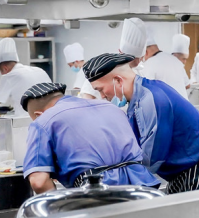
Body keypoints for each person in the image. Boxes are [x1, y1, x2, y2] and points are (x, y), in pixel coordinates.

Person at [84, 53, 199, 193]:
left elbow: (151, 159)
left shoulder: (151, 99)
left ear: (118, 80)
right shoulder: (137, 100)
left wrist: (111, 177)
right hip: (183, 172)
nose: (102, 96)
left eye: (101, 89)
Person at [20, 82, 159, 194]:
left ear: (38, 114)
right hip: (142, 186)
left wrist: (57, 209)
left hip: (97, 193)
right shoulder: (111, 107)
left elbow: (39, 182)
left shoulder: (42, 121)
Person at [0, 38, 51, 124]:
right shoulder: (40, 70)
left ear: (5, 68)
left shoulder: (10, 75)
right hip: (50, 120)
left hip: (27, 123)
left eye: (2, 72)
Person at [137, 28, 190, 98]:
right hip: (184, 102)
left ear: (146, 52)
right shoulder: (175, 60)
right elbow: (187, 85)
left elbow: (144, 90)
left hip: (169, 104)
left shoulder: (150, 63)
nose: (142, 59)